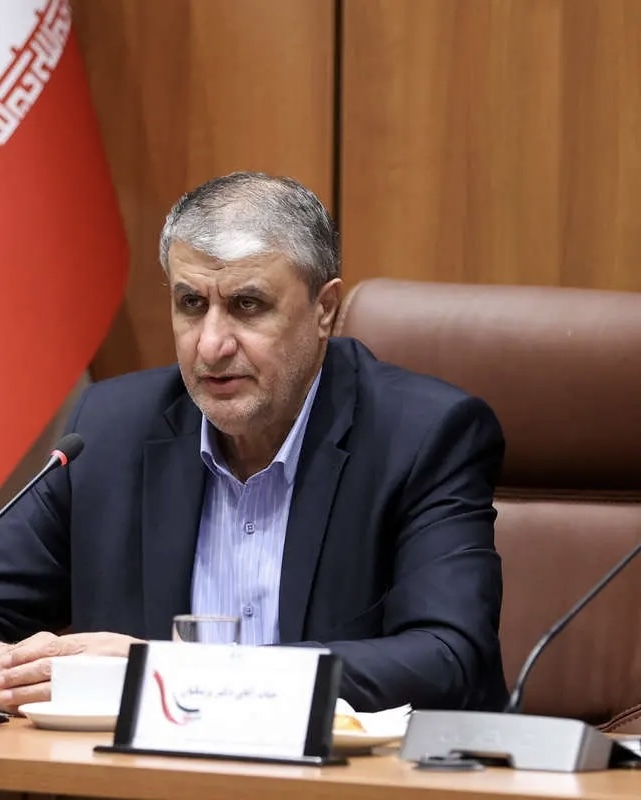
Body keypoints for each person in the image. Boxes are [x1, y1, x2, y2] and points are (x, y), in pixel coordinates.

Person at [0, 171, 507, 714]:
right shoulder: (109, 429)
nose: (211, 345)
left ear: (324, 310)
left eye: (247, 305)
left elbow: (447, 659)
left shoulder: (422, 436)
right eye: (191, 303)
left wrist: (177, 673)